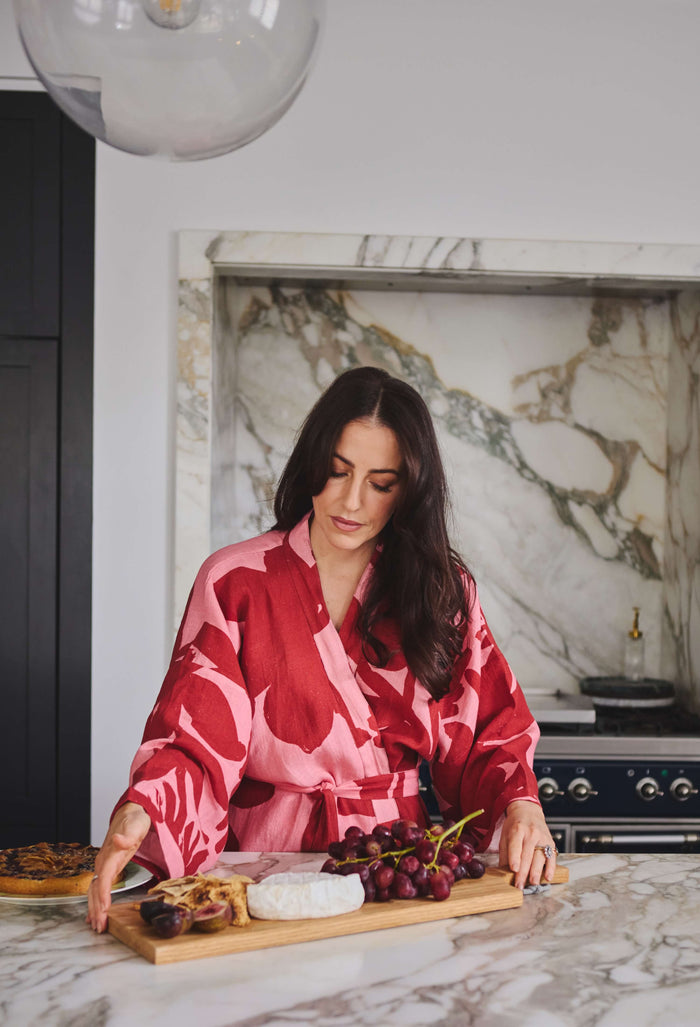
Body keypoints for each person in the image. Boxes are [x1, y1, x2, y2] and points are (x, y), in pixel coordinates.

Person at [87, 366, 555, 932]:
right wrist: (144, 809)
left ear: (410, 488)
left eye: (381, 483)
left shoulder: (439, 593)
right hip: (260, 874)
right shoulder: (235, 581)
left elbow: (488, 732)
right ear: (312, 461)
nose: (351, 501)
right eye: (337, 471)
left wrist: (521, 804)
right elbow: (194, 742)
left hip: (392, 876)